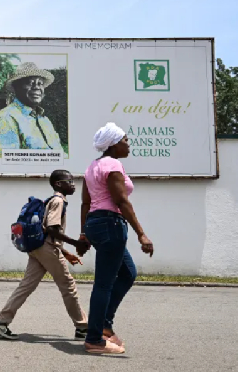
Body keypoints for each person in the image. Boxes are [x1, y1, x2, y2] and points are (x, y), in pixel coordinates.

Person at [0, 170, 91, 340]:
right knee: (68, 286)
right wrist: (76, 243)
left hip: (38, 249)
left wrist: (65, 253)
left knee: (26, 285)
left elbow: (46, 231)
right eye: (69, 181)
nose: (73, 185)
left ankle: (0, 321)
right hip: (46, 249)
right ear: (58, 184)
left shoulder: (50, 201)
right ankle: (82, 327)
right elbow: (51, 229)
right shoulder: (58, 201)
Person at [80, 122, 154, 354]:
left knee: (127, 273)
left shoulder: (92, 167)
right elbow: (122, 201)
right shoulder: (113, 165)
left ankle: (103, 325)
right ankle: (94, 339)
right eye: (125, 140)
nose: (128, 144)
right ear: (113, 144)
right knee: (103, 283)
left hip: (96, 223)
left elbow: (86, 203)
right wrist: (141, 234)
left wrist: (84, 232)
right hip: (110, 224)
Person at [0, 62, 64, 158]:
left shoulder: (44, 120)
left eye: (40, 83)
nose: (36, 87)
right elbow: (9, 164)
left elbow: (60, 155)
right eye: (30, 83)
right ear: (16, 87)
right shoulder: (5, 119)